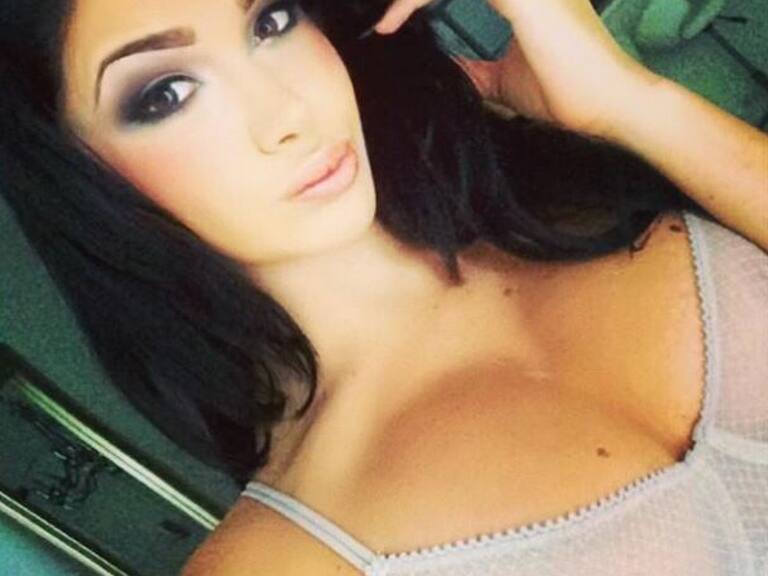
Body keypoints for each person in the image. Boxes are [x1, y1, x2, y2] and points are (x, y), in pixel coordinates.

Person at [1, 0, 765, 574]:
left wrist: (629, 103)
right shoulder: (282, 560)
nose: (285, 111)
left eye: (270, 20)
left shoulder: (557, 178)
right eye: (166, 93)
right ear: (77, 181)